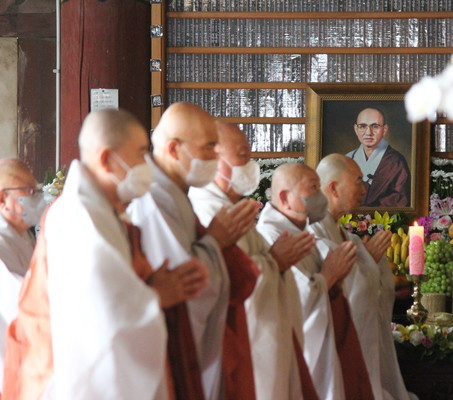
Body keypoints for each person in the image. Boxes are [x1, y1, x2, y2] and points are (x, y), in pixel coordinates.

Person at [3, 109, 209, 399]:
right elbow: (101, 317)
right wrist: (157, 295)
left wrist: (148, 285)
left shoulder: (101, 211)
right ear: (106, 159)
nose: (146, 164)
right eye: (139, 154)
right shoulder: (81, 218)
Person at [128, 103, 259, 400]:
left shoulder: (173, 194)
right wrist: (216, 241)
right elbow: (185, 284)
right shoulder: (151, 202)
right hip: (170, 347)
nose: (216, 156)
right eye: (209, 147)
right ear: (174, 149)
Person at [189, 122, 320, 400]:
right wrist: (275, 261)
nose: (251, 163)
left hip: (270, 337)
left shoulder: (231, 208)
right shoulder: (208, 211)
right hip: (244, 343)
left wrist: (275, 262)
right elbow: (226, 281)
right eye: (242, 155)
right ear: (215, 160)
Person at [257, 162, 377, 400]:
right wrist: (329, 276)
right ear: (285, 197)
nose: (319, 195)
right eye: (312, 188)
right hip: (300, 349)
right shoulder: (272, 235)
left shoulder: (301, 230)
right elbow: (292, 298)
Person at [309, 153, 416, 400]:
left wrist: (368, 262)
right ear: (333, 188)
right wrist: (365, 262)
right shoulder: (310, 234)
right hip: (330, 351)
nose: (364, 188)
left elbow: (375, 291)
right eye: (358, 181)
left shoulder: (349, 238)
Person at [0, 159, 46, 396]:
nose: (35, 197)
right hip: (9, 365)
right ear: (2, 199)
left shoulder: (23, 235)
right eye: (28, 191)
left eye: (36, 190)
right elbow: (26, 301)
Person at [345, 107, 411, 207]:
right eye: (362, 126)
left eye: (375, 126)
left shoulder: (396, 162)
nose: (368, 133)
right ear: (356, 129)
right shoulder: (348, 159)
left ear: (384, 130)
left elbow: (401, 199)